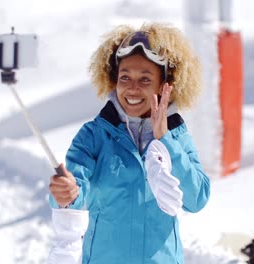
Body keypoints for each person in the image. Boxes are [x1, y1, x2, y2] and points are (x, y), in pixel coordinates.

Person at [48, 22, 210, 264]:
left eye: (145, 79)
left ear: (164, 85)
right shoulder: (93, 135)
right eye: (125, 77)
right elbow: (75, 187)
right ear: (114, 80)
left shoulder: (176, 136)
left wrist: (165, 140)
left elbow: (196, 199)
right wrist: (67, 192)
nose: (132, 89)